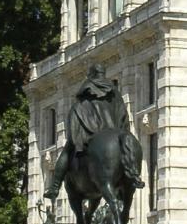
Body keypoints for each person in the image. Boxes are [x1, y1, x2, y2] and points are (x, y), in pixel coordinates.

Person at [45, 63, 144, 199]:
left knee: (67, 150)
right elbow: (124, 116)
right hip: (116, 131)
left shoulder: (85, 92)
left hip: (90, 133)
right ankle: (132, 177)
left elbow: (75, 120)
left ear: (91, 75)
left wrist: (77, 139)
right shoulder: (115, 94)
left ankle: (54, 187)